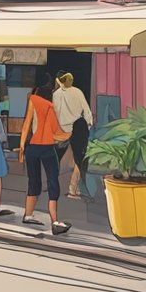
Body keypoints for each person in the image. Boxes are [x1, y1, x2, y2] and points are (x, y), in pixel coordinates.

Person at [19, 80, 72, 235]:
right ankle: (55, 221)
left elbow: (26, 125)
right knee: (52, 182)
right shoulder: (50, 107)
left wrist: (22, 148)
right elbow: (57, 133)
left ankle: (28, 215)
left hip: (32, 148)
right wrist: (70, 134)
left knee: (33, 180)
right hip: (47, 148)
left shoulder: (32, 101)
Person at [53, 71, 93, 199]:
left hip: (63, 129)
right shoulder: (77, 92)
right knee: (80, 159)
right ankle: (73, 188)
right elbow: (86, 110)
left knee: (56, 158)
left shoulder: (56, 94)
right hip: (79, 126)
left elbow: (56, 112)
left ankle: (53, 186)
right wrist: (89, 124)